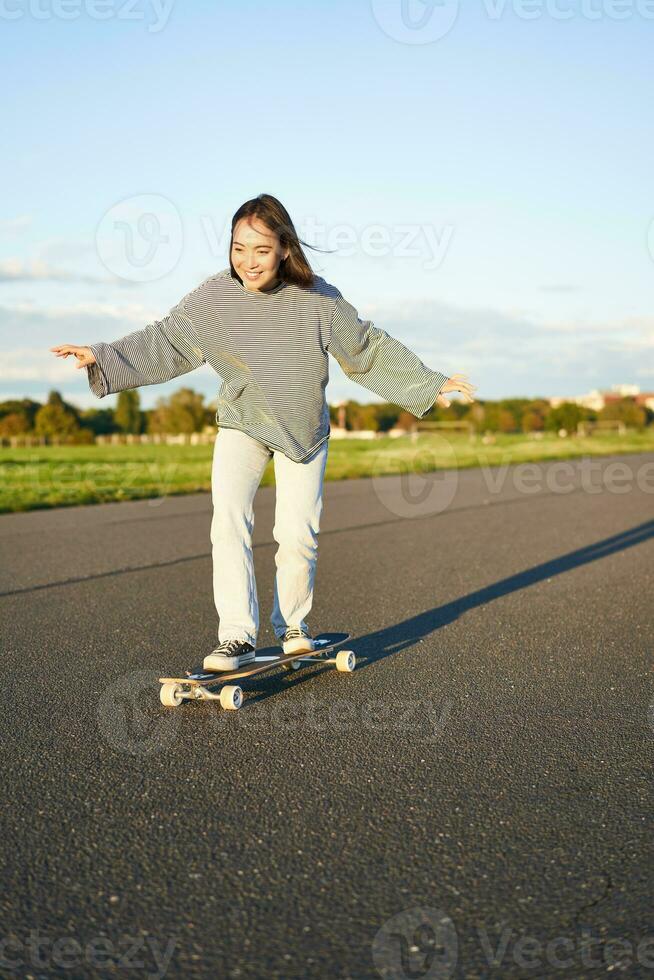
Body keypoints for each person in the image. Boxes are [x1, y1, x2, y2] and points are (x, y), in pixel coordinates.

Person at [51, 194, 476, 671]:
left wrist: (429, 383)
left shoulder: (319, 299)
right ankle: (236, 636)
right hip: (243, 421)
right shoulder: (215, 297)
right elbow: (167, 340)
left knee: (297, 534)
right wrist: (102, 356)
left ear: (284, 249)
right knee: (228, 521)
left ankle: (293, 626)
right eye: (238, 248)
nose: (247, 262)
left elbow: (366, 350)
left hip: (303, 429)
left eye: (260, 250)